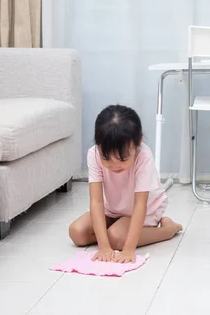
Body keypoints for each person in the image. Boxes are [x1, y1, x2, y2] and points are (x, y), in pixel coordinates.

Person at [69, 105, 182, 263]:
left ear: (138, 142)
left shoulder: (144, 156)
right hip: (113, 208)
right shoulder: (93, 154)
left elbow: (140, 205)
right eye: (106, 159)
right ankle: (117, 229)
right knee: (77, 233)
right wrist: (104, 246)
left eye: (123, 159)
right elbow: (96, 201)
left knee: (117, 239)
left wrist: (129, 249)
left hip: (145, 209)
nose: (115, 165)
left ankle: (168, 229)